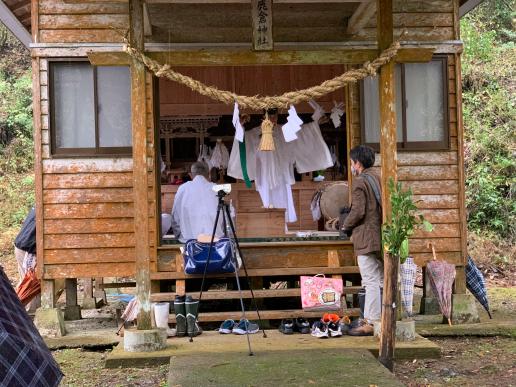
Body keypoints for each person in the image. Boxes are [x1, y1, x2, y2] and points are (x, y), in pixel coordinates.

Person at [341, 145, 383, 336]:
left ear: (357, 163)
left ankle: (371, 321)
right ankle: (383, 319)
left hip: (366, 237)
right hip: (382, 235)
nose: (351, 166)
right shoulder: (380, 177)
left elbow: (358, 211)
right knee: (381, 278)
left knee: (370, 280)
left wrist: (344, 226)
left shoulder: (360, 182)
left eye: (351, 163)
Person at [171, 161, 223, 243]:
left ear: (191, 175)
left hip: (189, 240)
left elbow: (175, 217)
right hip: (215, 240)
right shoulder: (217, 188)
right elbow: (226, 216)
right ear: (208, 174)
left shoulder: (183, 189)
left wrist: (179, 237)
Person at [13, 207, 40, 312]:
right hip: (27, 248)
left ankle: (20, 310)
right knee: (30, 283)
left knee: (28, 282)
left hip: (23, 245)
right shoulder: (49, 206)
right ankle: (21, 311)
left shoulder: (41, 202)